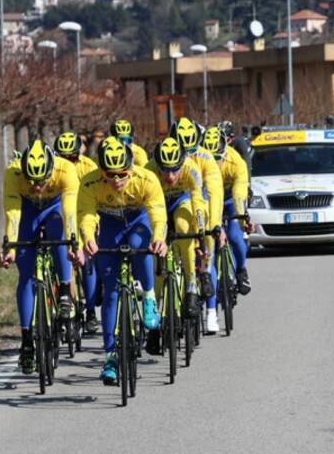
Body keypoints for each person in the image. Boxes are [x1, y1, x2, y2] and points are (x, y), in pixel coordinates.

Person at [78, 137, 167, 385]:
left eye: (122, 174)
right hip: (109, 225)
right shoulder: (90, 182)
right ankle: (110, 356)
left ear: (130, 168)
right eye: (111, 175)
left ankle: (148, 296)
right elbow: (85, 215)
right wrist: (87, 237)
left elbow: (158, 214)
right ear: (101, 171)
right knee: (111, 293)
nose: (117, 180)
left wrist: (159, 238)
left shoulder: (146, 179)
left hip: (138, 221)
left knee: (141, 246)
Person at [0, 139, 79, 375]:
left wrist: (74, 243)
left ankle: (64, 291)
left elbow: (70, 213)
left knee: (60, 233)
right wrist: (9, 249)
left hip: (55, 208)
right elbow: (13, 215)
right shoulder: (13, 174)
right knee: (25, 275)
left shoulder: (66, 170)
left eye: (42, 181)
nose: (37, 186)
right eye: (32, 181)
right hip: (28, 211)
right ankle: (26, 341)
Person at [145, 136, 206, 353]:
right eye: (165, 170)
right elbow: (144, 207)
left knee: (183, 225)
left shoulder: (192, 169)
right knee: (157, 262)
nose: (170, 176)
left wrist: (200, 232)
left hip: (181, 201)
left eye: (174, 170)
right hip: (156, 204)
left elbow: (199, 202)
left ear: (182, 164)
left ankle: (190, 283)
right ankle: (153, 324)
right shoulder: (149, 170)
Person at [171, 116, 225, 334]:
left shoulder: (206, 158)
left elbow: (214, 193)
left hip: (202, 199)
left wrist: (215, 226)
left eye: (192, 148)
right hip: (178, 200)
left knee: (207, 255)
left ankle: (212, 312)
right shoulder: (171, 156)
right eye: (185, 149)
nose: (189, 153)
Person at [55, 131, 99, 333]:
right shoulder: (54, 169)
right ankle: (66, 304)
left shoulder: (89, 167)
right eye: (62, 158)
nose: (67, 162)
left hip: (84, 215)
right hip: (63, 215)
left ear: (78, 155)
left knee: (86, 261)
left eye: (71, 157)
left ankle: (90, 311)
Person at [203, 125, 252, 295]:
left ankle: (241, 269)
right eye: (209, 157)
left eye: (217, 157)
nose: (214, 163)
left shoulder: (235, 161)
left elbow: (239, 195)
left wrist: (241, 218)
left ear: (225, 151)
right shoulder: (199, 161)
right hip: (210, 199)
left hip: (230, 199)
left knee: (234, 235)